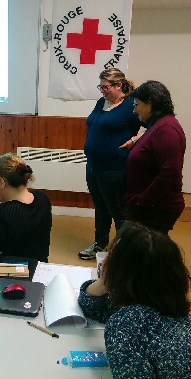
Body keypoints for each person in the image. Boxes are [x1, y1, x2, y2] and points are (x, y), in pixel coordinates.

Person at [78, 222, 191, 378]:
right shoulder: (167, 306)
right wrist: (103, 283)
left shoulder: (127, 323)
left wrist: (108, 278)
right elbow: (92, 308)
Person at [78, 68, 142, 260]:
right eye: (101, 86)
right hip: (94, 166)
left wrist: (135, 140)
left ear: (118, 85)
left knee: (118, 211)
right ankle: (100, 245)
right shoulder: (102, 102)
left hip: (114, 168)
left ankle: (122, 254)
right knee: (101, 207)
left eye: (105, 87)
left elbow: (154, 125)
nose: (102, 91)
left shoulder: (131, 105)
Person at [126, 80, 186, 235]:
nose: (135, 110)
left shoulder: (166, 129)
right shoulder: (158, 125)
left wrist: (142, 201)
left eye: (137, 105)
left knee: (148, 252)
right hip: (150, 206)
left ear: (150, 103)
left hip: (156, 208)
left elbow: (170, 172)